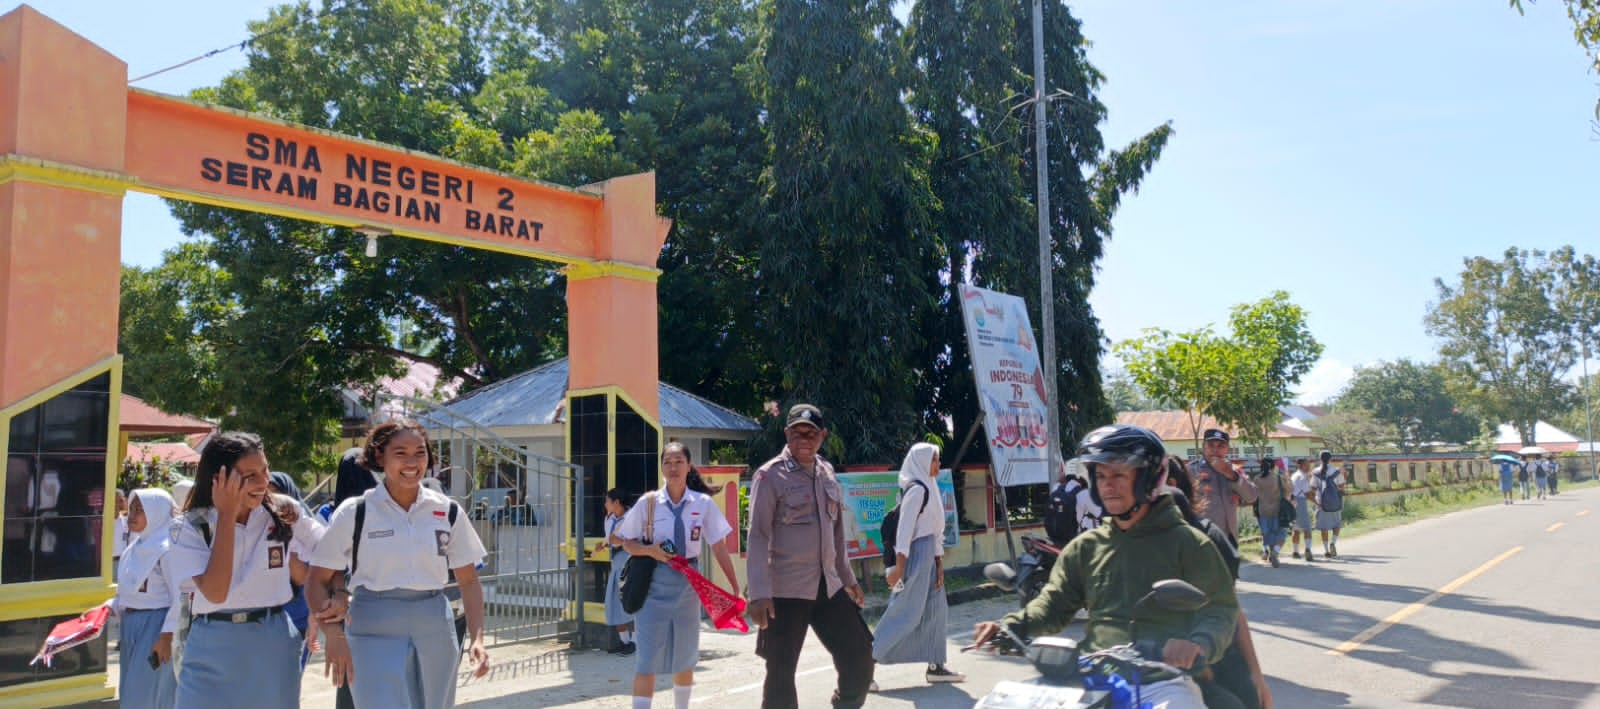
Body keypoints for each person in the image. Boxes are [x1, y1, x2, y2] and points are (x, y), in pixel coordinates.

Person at [971, 425, 1239, 709]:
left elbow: (1219, 610)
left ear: (1148, 479)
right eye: (1100, 476)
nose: (1108, 484)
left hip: (1160, 682)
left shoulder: (1189, 544)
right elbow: (1052, 605)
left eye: (1119, 474)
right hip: (1091, 674)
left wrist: (1198, 644)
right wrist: (1009, 627)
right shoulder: (1085, 547)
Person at [307, 419, 491, 709]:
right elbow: (316, 580)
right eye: (400, 453)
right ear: (380, 456)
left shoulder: (447, 511)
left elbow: (469, 581)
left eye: (420, 453)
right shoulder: (356, 512)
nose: (412, 462)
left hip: (435, 627)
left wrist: (477, 639)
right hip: (371, 627)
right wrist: (333, 634)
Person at [167, 431, 324, 709]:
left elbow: (329, 552)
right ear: (219, 478)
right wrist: (227, 515)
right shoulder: (190, 526)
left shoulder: (283, 512)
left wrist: (320, 604)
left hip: (271, 640)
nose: (264, 482)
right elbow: (216, 593)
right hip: (211, 642)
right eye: (249, 475)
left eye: (265, 470)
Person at [746, 404, 876, 709]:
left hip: (827, 586)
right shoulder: (769, 476)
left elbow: (837, 531)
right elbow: (757, 536)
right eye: (797, 432)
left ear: (822, 436)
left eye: (811, 432)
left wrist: (848, 578)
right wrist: (759, 593)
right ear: (787, 434)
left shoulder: (827, 472)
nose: (804, 438)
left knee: (860, 656)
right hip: (784, 592)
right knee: (780, 675)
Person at [615, 442, 740, 709]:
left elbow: (718, 545)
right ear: (661, 467)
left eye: (678, 461)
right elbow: (626, 542)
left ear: (689, 466)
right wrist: (650, 551)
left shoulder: (702, 503)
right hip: (653, 585)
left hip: (689, 586)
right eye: (668, 462)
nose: (673, 467)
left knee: (685, 656)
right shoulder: (648, 503)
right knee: (647, 658)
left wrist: (734, 587)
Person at [872, 442, 963, 683]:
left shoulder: (930, 486)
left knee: (936, 610)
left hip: (930, 555)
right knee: (906, 612)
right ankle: (865, 663)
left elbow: (934, 530)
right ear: (922, 462)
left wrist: (939, 563)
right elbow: (904, 531)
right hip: (916, 554)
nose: (938, 464)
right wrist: (899, 567)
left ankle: (936, 666)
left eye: (938, 459)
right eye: (934, 460)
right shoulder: (917, 490)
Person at [107, 488, 181, 709]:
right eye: (132, 509)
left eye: (140, 510)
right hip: (130, 626)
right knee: (131, 691)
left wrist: (166, 637)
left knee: (145, 696)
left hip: (156, 628)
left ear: (157, 513)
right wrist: (107, 608)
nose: (132, 515)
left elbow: (180, 597)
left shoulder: (167, 550)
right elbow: (128, 594)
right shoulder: (133, 548)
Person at [269, 471, 324, 671]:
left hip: (297, 618)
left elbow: (301, 577)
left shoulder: (305, 532)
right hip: (265, 622)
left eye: (275, 495)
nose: (270, 504)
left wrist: (286, 541)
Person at [1186, 429, 1259, 543]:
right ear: (1203, 447)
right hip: (1203, 537)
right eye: (1211, 445)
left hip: (1229, 537)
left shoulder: (1235, 470)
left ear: (1227, 449)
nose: (1215, 450)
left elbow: (1252, 496)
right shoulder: (1191, 470)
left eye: (1221, 446)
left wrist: (1231, 475)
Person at [595, 488, 637, 656]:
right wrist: (603, 544)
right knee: (615, 602)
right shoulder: (609, 519)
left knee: (632, 602)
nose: (605, 504)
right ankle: (624, 641)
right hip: (616, 563)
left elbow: (639, 540)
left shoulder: (633, 518)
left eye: (608, 500)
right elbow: (609, 539)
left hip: (630, 561)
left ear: (617, 502)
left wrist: (619, 541)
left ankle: (634, 642)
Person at [1251, 457, 1292, 568]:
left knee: (1268, 534)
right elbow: (1289, 490)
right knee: (1281, 533)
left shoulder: (1256, 479)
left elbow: (1253, 496)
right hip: (1277, 510)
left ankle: (1270, 553)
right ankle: (1275, 552)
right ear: (1273, 466)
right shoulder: (1278, 478)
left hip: (1262, 510)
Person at [1310, 452, 1344, 558]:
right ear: (1331, 459)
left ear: (1320, 459)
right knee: (1337, 524)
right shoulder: (1336, 471)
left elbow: (1313, 488)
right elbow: (1341, 486)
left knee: (1324, 527)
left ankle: (1326, 550)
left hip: (1321, 503)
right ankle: (1333, 543)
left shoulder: (1315, 472)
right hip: (1335, 502)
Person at [1290, 459, 1316, 559]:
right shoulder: (1302, 477)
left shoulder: (1294, 475)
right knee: (1307, 528)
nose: (1309, 467)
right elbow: (1308, 494)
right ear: (1301, 466)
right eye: (1307, 465)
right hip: (1300, 502)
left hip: (1293, 502)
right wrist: (1318, 503)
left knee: (1296, 529)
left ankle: (1295, 552)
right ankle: (1308, 550)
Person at [111, 489, 129, 583]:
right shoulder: (104, 521)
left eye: (121, 501)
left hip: (122, 563)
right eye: (116, 501)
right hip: (108, 564)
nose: (119, 504)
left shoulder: (126, 521)